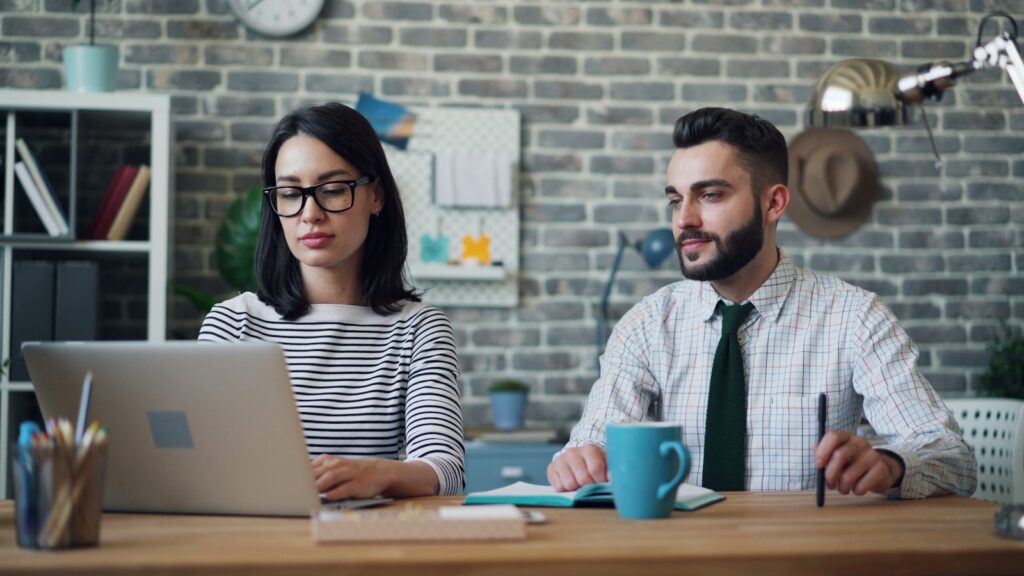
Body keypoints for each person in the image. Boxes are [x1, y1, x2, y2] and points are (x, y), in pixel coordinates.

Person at [548, 107, 976, 499]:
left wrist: (889, 464)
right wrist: (581, 460)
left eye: (710, 195)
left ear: (773, 203)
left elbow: (954, 460)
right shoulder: (646, 325)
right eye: (676, 199)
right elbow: (593, 440)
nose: (684, 219)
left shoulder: (855, 318)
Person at [199, 102, 464, 500]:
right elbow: (201, 463)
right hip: (257, 545)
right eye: (290, 194)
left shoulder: (419, 329)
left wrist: (379, 474)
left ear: (376, 196)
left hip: (368, 548)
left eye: (333, 190)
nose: (309, 214)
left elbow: (444, 471)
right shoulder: (233, 324)